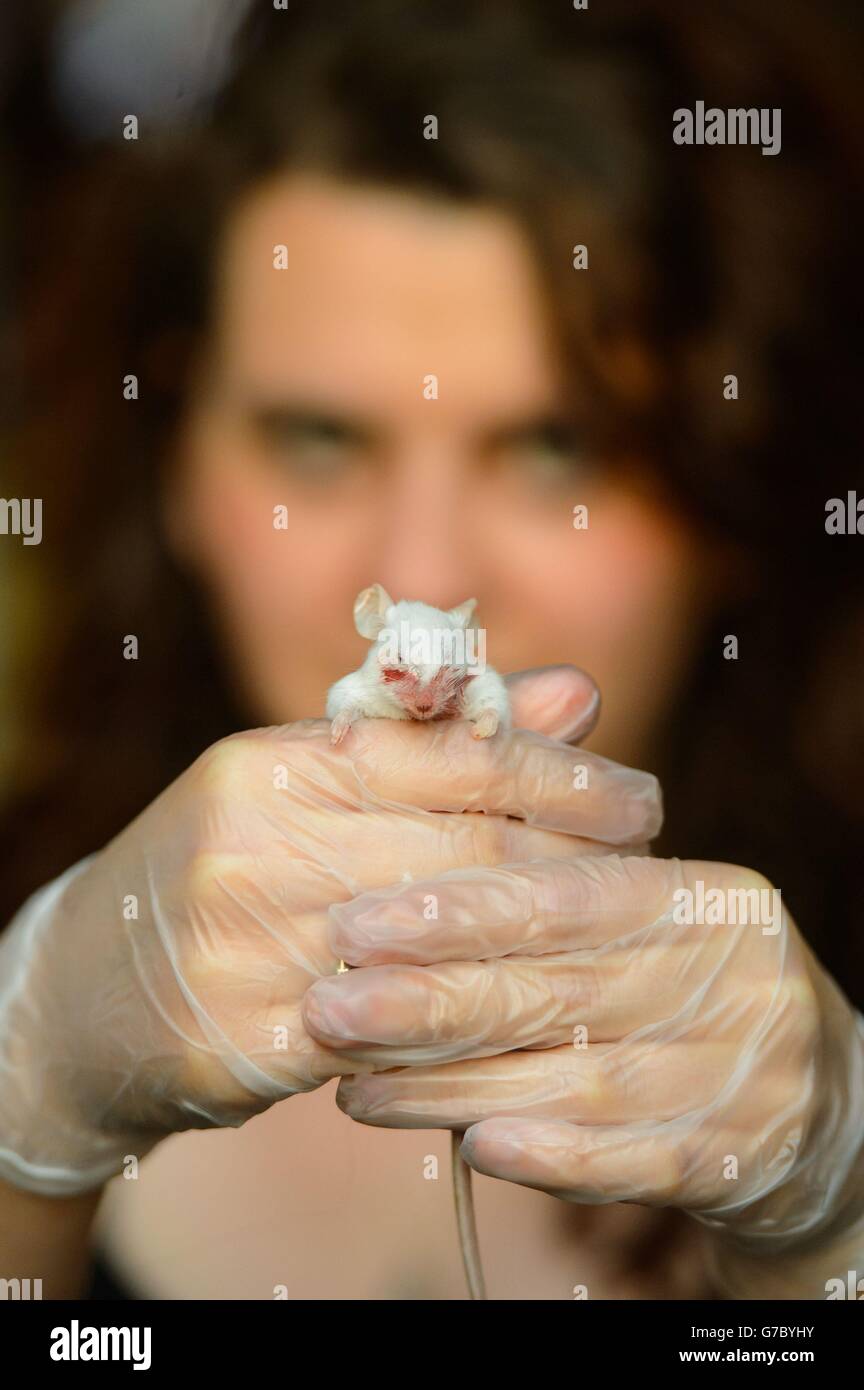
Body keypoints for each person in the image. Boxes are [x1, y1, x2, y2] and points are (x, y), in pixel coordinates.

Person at [1, 0, 862, 1301]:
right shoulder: (31, 964)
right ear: (174, 459)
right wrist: (24, 1124)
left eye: (557, 448)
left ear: (734, 496)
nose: (427, 574)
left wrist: (837, 1225)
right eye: (319, 439)